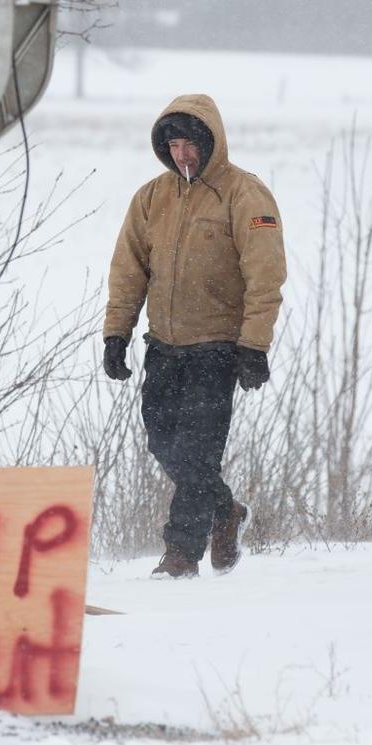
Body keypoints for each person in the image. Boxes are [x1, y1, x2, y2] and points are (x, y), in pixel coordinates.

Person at [102, 94, 287, 579]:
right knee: (164, 445)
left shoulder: (244, 194)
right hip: (164, 347)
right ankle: (225, 510)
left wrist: (254, 345)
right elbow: (128, 271)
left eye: (190, 144)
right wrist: (116, 334)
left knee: (198, 452)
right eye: (174, 145)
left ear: (211, 141)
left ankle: (181, 555)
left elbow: (265, 275)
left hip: (218, 348)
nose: (182, 154)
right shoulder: (150, 198)